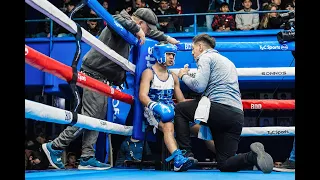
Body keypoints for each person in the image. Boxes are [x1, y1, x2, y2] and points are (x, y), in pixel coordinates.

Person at [42, 8, 180, 170]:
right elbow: (116, 18)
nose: (147, 32)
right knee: (91, 116)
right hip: (93, 74)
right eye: (147, 28)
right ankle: (56, 146)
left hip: (101, 76)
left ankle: (87, 156)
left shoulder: (132, 28)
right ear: (140, 23)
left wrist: (167, 38)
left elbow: (151, 33)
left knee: (95, 117)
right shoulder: (121, 20)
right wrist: (137, 30)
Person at [175, 33, 274, 173]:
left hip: (219, 109)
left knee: (180, 109)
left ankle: (186, 154)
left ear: (200, 47)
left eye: (193, 48)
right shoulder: (228, 62)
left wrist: (183, 75)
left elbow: (199, 86)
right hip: (237, 116)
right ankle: (251, 157)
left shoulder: (206, 57)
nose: (192, 52)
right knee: (225, 163)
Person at [139, 42, 194, 171]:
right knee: (168, 125)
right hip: (153, 110)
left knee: (200, 127)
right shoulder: (149, 73)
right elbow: (142, 95)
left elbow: (181, 101)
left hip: (170, 108)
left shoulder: (173, 76)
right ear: (159, 54)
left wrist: (194, 112)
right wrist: (156, 106)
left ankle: (226, 156)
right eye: (168, 54)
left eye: (173, 55)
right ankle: (178, 160)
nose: (171, 58)